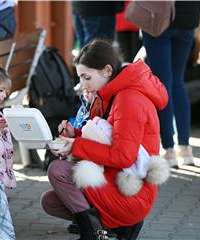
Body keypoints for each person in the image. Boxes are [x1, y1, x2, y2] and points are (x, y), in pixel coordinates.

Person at [40, 39, 168, 240]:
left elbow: (123, 156)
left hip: (132, 191)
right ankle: (117, 230)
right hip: (116, 178)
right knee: (51, 201)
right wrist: (75, 134)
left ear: (107, 70)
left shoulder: (130, 99)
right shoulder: (108, 93)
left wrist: (76, 145)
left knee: (58, 171)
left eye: (86, 77)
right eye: (81, 77)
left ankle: (93, 233)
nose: (83, 84)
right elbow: (105, 135)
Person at [142, 2, 200, 167]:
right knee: (177, 82)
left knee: (163, 84)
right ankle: (185, 149)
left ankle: (169, 150)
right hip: (188, 17)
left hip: (158, 15)